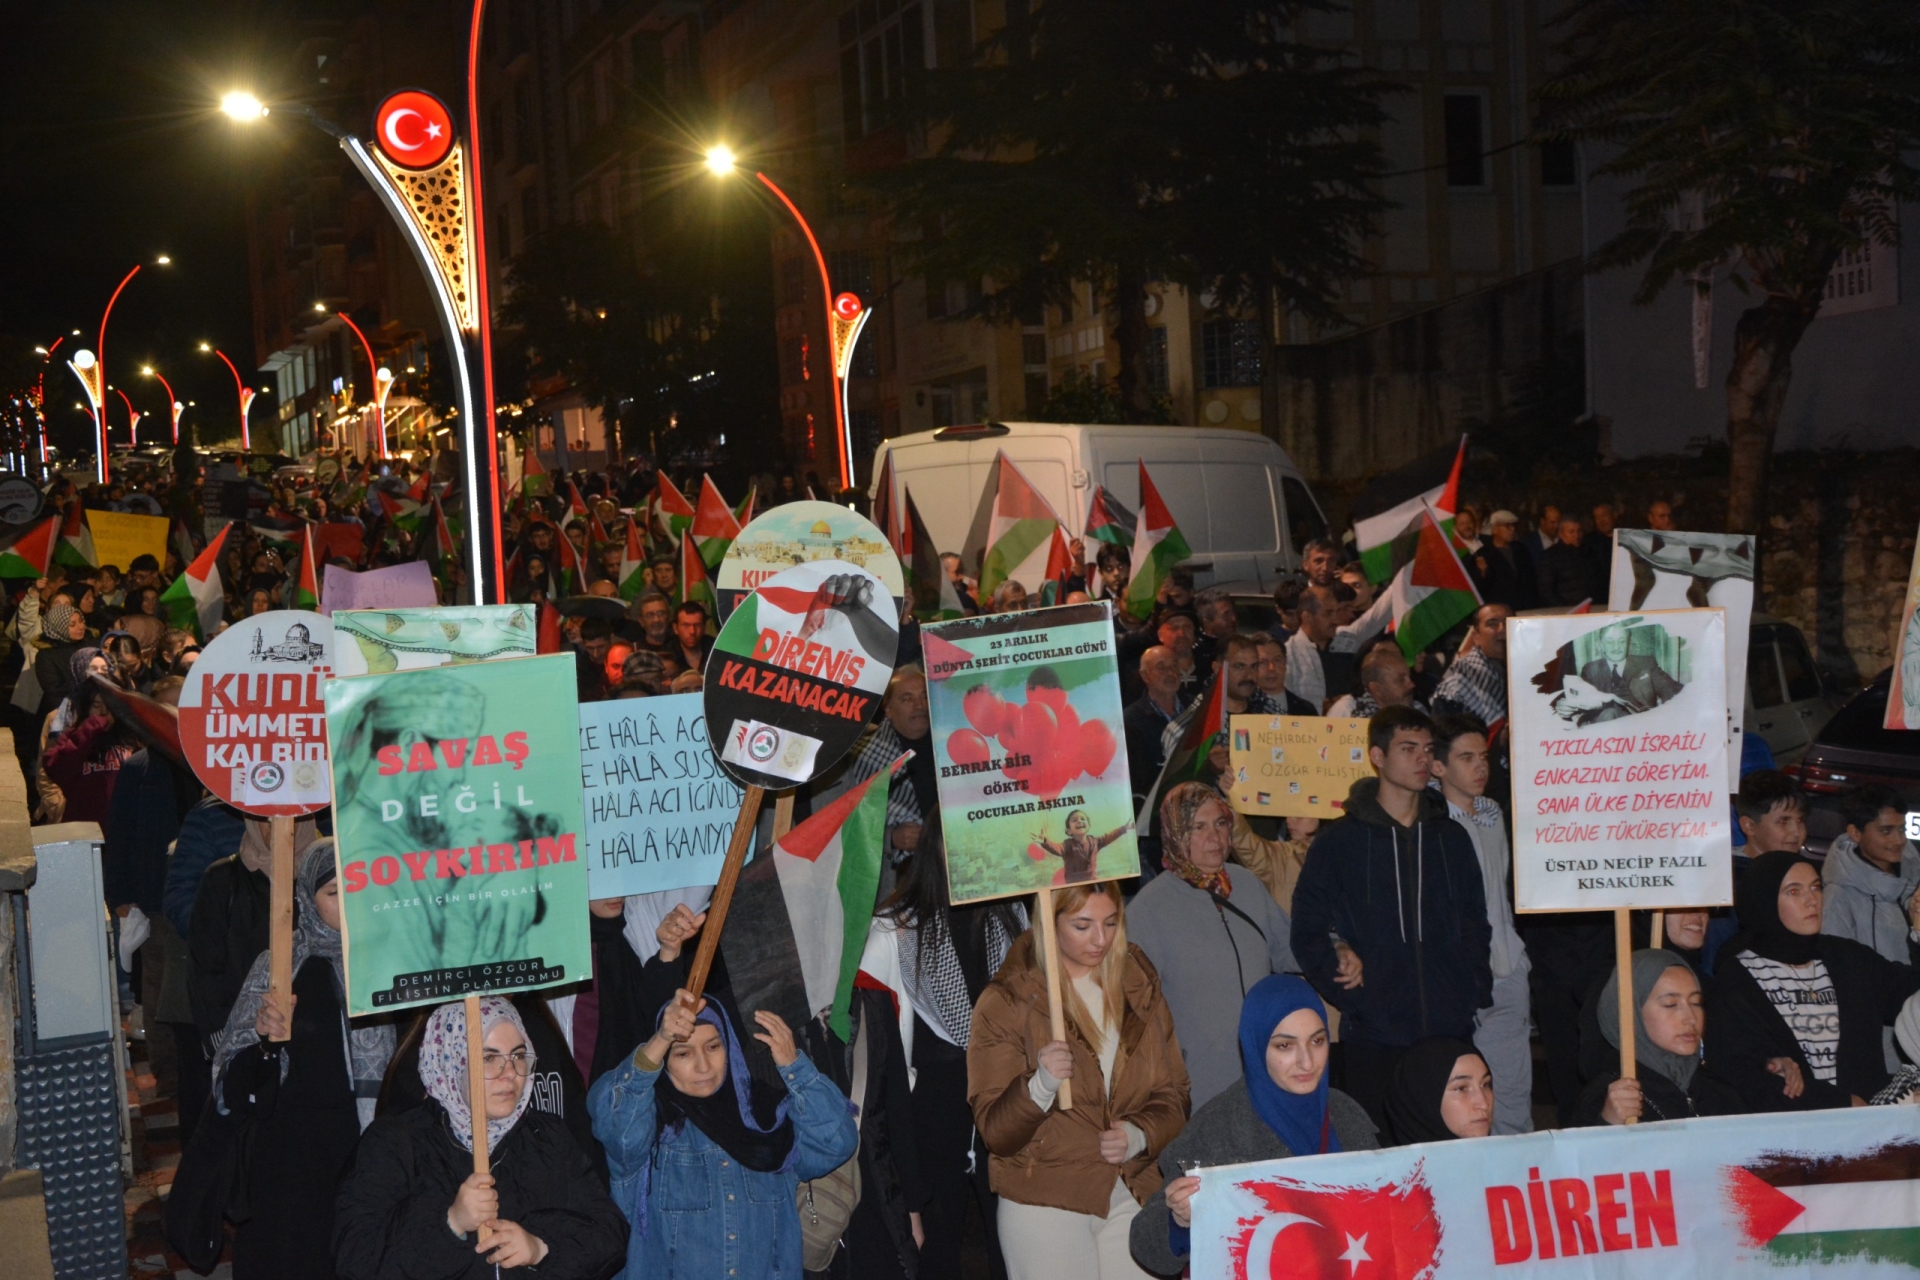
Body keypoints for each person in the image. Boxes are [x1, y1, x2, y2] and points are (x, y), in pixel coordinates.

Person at [1288, 706, 1493, 1133]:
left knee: (1451, 1154)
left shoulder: (1450, 838)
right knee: (1380, 1157)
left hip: (1448, 1029)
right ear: (1378, 756)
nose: (1423, 760)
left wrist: (1469, 990)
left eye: (1427, 749)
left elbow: (1476, 921)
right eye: (1408, 748)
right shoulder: (1339, 842)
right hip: (1376, 1036)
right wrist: (1353, 995)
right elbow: (1308, 928)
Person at [968, 882, 1188, 1280]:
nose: (1100, 939)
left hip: (1130, 1188)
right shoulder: (1006, 1001)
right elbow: (996, 1134)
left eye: (1111, 922)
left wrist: (1138, 1134)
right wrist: (1040, 1086)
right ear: (1048, 923)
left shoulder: (1137, 984)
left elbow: (1174, 1095)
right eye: (1082, 926)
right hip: (1045, 1198)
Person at [333, 998, 629, 1279]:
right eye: (488, 1058)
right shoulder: (395, 1143)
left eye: (518, 1055)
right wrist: (450, 1223)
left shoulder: (548, 1136)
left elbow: (609, 1233)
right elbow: (356, 1259)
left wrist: (541, 1248)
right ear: (451, 1061)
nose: (510, 1073)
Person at [211, 842, 396, 1279]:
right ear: (306, 900)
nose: (350, 905)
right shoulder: (279, 965)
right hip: (294, 1157)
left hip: (373, 1145)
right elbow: (230, 1078)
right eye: (334, 893)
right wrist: (264, 1037)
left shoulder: (390, 958)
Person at [588, 989, 858, 1280]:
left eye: (714, 1047)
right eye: (683, 1053)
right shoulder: (650, 1131)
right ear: (664, 1061)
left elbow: (837, 1142)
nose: (703, 1066)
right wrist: (660, 1040)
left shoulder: (769, 1123)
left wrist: (795, 1067)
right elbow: (613, 1120)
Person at [1128, 976, 1377, 1278]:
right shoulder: (1219, 1126)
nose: (1307, 1061)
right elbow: (1145, 1244)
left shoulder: (1347, 1116)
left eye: (1317, 1041)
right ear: (1256, 1046)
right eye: (1285, 1045)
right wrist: (1179, 1220)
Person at [863, 823, 1025, 1280]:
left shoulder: (1013, 916)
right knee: (937, 1245)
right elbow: (879, 1055)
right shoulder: (894, 931)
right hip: (930, 1115)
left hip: (1007, 1097)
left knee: (1011, 1243)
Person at [1707, 851, 1920, 1111]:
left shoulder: (1848, 958)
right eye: (1794, 892)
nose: (1812, 901)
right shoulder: (1738, 977)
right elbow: (1741, 1070)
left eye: (1816, 887)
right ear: (1764, 899)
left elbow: (1911, 996)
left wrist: (1918, 934)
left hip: (1867, 1132)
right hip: (1794, 1135)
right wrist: (1837, 1102)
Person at [1128, 782, 1297, 1108]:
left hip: (1266, 1070)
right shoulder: (1149, 909)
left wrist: (1339, 951)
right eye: (1199, 827)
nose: (1215, 837)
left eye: (1220, 823)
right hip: (1200, 1083)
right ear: (1175, 833)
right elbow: (1130, 1008)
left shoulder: (1245, 883)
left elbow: (1288, 949)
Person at [1428, 714, 1532, 1134]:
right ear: (1438, 767)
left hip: (1506, 970)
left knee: (1511, 1093)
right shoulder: (1429, 826)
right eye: (1466, 758)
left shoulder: (1492, 814)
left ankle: (1518, 1183)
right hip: (1458, 980)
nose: (1480, 767)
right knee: (1461, 1100)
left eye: (1484, 757)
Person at [1573, 949, 1742, 1126]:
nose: (1691, 1018)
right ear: (1633, 1013)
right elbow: (1577, 1152)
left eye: (1696, 1003)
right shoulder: (1609, 1096)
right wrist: (1608, 1122)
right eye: (1670, 1004)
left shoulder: (1719, 1091)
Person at [1821, 784, 1920, 973]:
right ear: (1855, 833)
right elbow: (1838, 969)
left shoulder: (1913, 879)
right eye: (1886, 831)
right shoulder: (1838, 897)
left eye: (1902, 829)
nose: (1899, 840)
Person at [1283, 582, 1392, 713]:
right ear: (1307, 617)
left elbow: (1381, 612)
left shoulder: (1347, 639)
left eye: (1336, 612)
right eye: (1328, 614)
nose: (1335, 620)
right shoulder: (1288, 656)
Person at [1383, 1038, 1496, 1143]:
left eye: (1485, 1084)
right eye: (1461, 1088)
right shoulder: (1384, 1163)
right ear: (1423, 1100)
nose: (1484, 1104)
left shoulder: (1505, 1160)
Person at [1431, 603, 1511, 727]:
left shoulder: (1531, 670)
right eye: (1492, 623)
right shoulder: (1459, 679)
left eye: (1508, 622)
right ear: (1476, 637)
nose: (1502, 629)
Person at [1124, 646, 1186, 804]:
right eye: (1161, 667)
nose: (1170, 673)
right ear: (1145, 676)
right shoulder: (1131, 720)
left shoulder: (1196, 708)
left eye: (1174, 665)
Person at [1033, 808, 1132, 884]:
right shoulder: (1067, 845)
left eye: (1082, 819)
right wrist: (1045, 842)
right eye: (1074, 820)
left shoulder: (1095, 841)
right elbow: (1057, 849)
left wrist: (1124, 828)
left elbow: (1110, 836)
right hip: (1073, 884)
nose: (1079, 821)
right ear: (1069, 831)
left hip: (1092, 881)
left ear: (1088, 826)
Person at [1325, 642, 1418, 719]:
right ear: (1377, 689)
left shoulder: (1418, 711)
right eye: (1401, 680)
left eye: (1409, 677)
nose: (1411, 684)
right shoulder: (1346, 711)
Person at [1471, 511, 1536, 611]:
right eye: (1507, 526)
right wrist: (1483, 572)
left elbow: (1531, 579)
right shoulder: (1484, 554)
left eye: (1514, 526)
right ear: (1494, 529)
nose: (1512, 530)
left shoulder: (1521, 549)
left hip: (1525, 607)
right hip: (1499, 609)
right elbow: (1480, 588)